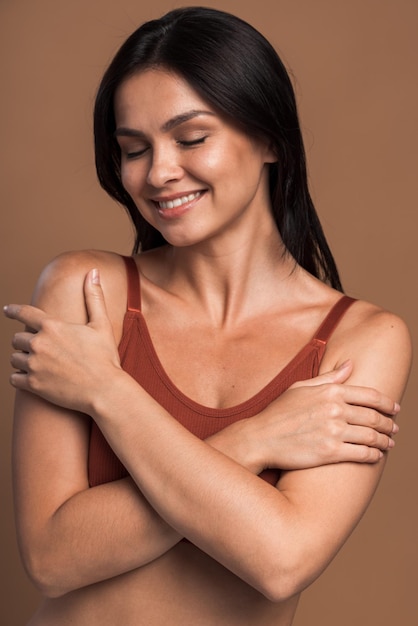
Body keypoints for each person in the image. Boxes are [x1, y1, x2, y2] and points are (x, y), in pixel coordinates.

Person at [4, 7, 411, 626]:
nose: (159, 173)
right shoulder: (85, 291)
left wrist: (106, 389)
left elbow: (279, 560)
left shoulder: (363, 339)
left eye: (191, 138)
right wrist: (257, 438)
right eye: (133, 149)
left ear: (271, 137)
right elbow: (53, 556)